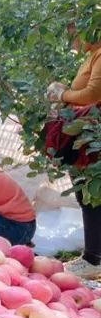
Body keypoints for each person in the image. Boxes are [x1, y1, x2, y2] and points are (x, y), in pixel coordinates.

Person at [46, 25, 101, 278]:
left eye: (73, 36)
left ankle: (94, 258)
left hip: (92, 139)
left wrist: (62, 94)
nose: (72, 43)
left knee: (90, 193)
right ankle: (92, 256)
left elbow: (93, 93)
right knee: (84, 193)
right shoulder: (92, 56)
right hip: (84, 138)